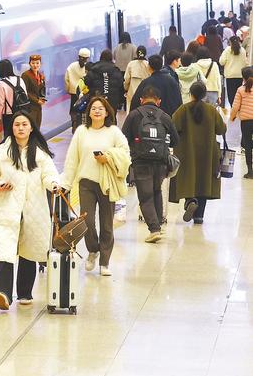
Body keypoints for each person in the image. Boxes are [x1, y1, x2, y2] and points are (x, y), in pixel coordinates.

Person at [0, 111, 59, 309]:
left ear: (31, 128)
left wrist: (54, 184)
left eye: (24, 124)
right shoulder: (2, 152)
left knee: (29, 250)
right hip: (7, 208)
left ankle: (25, 293)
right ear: (12, 128)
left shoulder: (40, 153)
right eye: (17, 125)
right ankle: (2, 293)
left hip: (34, 210)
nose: (21, 128)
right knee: (5, 250)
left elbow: (49, 175)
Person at [61, 96, 130, 277]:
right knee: (87, 222)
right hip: (86, 183)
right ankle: (93, 250)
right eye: (93, 108)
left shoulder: (114, 132)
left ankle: (105, 261)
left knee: (106, 225)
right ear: (89, 112)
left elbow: (125, 154)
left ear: (107, 112)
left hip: (107, 184)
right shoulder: (81, 132)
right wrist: (66, 183)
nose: (97, 111)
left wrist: (108, 158)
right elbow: (72, 159)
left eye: (101, 108)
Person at [122, 86, 179, 242]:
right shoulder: (165, 117)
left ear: (141, 100)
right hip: (161, 162)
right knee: (156, 191)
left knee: (145, 196)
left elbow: (123, 138)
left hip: (141, 161)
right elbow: (175, 140)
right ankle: (158, 226)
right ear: (158, 101)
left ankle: (154, 229)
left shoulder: (134, 115)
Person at [169, 81, 226, 224]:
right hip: (208, 153)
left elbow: (172, 127)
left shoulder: (183, 109)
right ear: (205, 94)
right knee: (203, 181)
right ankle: (199, 216)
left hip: (186, 152)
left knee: (188, 179)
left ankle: (190, 201)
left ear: (191, 94)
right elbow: (221, 129)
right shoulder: (211, 110)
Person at [84, 49, 125, 115]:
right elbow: (121, 86)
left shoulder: (94, 70)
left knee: (97, 117)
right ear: (111, 58)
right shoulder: (116, 71)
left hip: (96, 101)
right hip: (112, 102)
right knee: (111, 118)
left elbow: (86, 82)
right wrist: (120, 101)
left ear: (100, 57)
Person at [0, 58, 29, 137]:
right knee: (21, 134)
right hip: (22, 112)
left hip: (9, 114)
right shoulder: (20, 79)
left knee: (9, 136)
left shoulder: (1, 83)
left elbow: (0, 103)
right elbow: (25, 95)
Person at [230, 67, 253, 179]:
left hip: (246, 122)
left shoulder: (241, 90)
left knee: (247, 145)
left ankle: (250, 171)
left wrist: (232, 117)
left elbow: (235, 107)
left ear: (243, 77)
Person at [65, 48, 91, 132]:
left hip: (73, 93)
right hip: (84, 94)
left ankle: (74, 124)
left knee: (73, 110)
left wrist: (68, 89)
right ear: (88, 58)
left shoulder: (71, 66)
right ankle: (82, 127)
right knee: (83, 110)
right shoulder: (88, 67)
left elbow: (66, 79)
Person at [219, 35, 248, 108]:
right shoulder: (243, 50)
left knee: (231, 96)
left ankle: (233, 108)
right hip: (240, 75)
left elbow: (221, 62)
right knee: (238, 94)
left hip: (230, 76)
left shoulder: (227, 50)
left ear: (230, 42)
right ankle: (238, 108)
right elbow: (245, 63)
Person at [21, 54, 47, 128]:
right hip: (30, 107)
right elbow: (25, 91)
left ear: (40, 64)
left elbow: (42, 90)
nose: (35, 65)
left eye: (37, 63)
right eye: (33, 63)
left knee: (37, 127)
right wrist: (36, 100)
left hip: (38, 107)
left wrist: (43, 98)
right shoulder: (25, 75)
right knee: (31, 127)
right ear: (29, 64)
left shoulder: (41, 76)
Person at [124, 45, 150, 112]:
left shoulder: (131, 64)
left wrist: (126, 88)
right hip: (145, 92)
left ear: (136, 53)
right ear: (145, 53)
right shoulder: (148, 64)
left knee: (130, 109)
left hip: (132, 91)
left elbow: (126, 79)